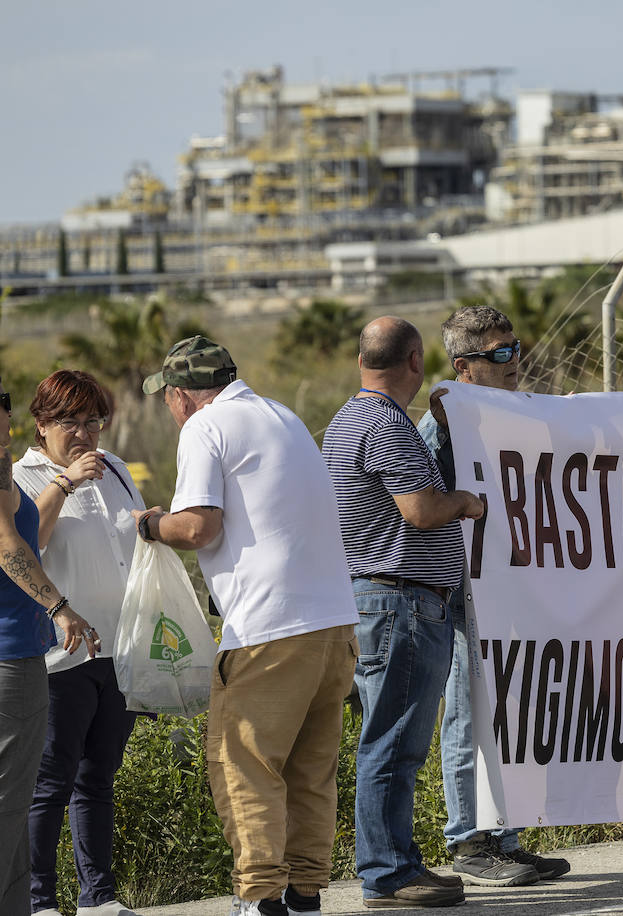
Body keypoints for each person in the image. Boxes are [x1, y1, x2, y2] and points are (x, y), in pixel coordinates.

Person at [136, 337, 359, 916]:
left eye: (168, 399)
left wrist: (152, 524)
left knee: (243, 764)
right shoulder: (281, 415)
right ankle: (304, 893)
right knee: (311, 770)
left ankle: (260, 896)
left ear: (182, 396)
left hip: (268, 627)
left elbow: (200, 528)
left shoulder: (205, 427)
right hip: (333, 624)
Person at [323, 318, 482, 908]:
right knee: (394, 741)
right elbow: (419, 510)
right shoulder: (386, 423)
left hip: (383, 599)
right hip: (402, 602)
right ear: (414, 359)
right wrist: (467, 501)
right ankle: (387, 872)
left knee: (389, 738)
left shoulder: (347, 419)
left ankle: (395, 863)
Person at [416, 305, 568, 887]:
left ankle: (506, 836)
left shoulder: (513, 415)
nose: (513, 363)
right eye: (499, 354)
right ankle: (468, 838)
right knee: (464, 716)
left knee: (506, 716)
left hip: (509, 595)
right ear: (465, 367)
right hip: (460, 598)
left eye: (516, 350)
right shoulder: (442, 431)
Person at [15, 371, 143, 916]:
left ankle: (99, 898)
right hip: (59, 652)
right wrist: (63, 483)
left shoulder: (114, 467)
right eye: (70, 421)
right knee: (50, 780)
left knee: (97, 778)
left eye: (93, 420)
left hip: (120, 645)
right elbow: (24, 548)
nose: (85, 433)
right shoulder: (21, 476)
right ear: (42, 425)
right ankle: (38, 900)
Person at [1, 375, 100, 915]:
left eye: (4, 435)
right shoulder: (13, 475)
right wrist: (58, 605)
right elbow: (12, 544)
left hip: (39, 648)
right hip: (19, 653)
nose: (4, 447)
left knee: (18, 805)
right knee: (18, 801)